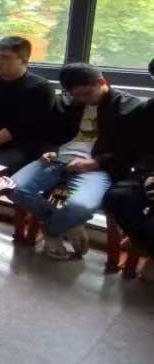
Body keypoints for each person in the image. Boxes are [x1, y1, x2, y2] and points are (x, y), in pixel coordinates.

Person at [10, 63, 150, 261]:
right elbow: (43, 132)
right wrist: (48, 150)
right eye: (76, 95)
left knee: (80, 208)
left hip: (97, 167)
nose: (82, 99)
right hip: (58, 158)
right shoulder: (67, 102)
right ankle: (69, 222)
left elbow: (134, 152)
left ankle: (53, 229)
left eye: (87, 93)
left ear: (101, 82)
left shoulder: (130, 108)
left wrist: (96, 162)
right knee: (13, 188)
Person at [0, 36, 56, 173]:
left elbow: (20, 128)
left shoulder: (40, 88)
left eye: (5, 58)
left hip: (19, 146)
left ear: (24, 60)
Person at [102, 57, 154, 283]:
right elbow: (142, 149)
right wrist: (149, 174)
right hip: (149, 172)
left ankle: (143, 244)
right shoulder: (150, 108)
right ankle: (143, 241)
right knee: (117, 197)